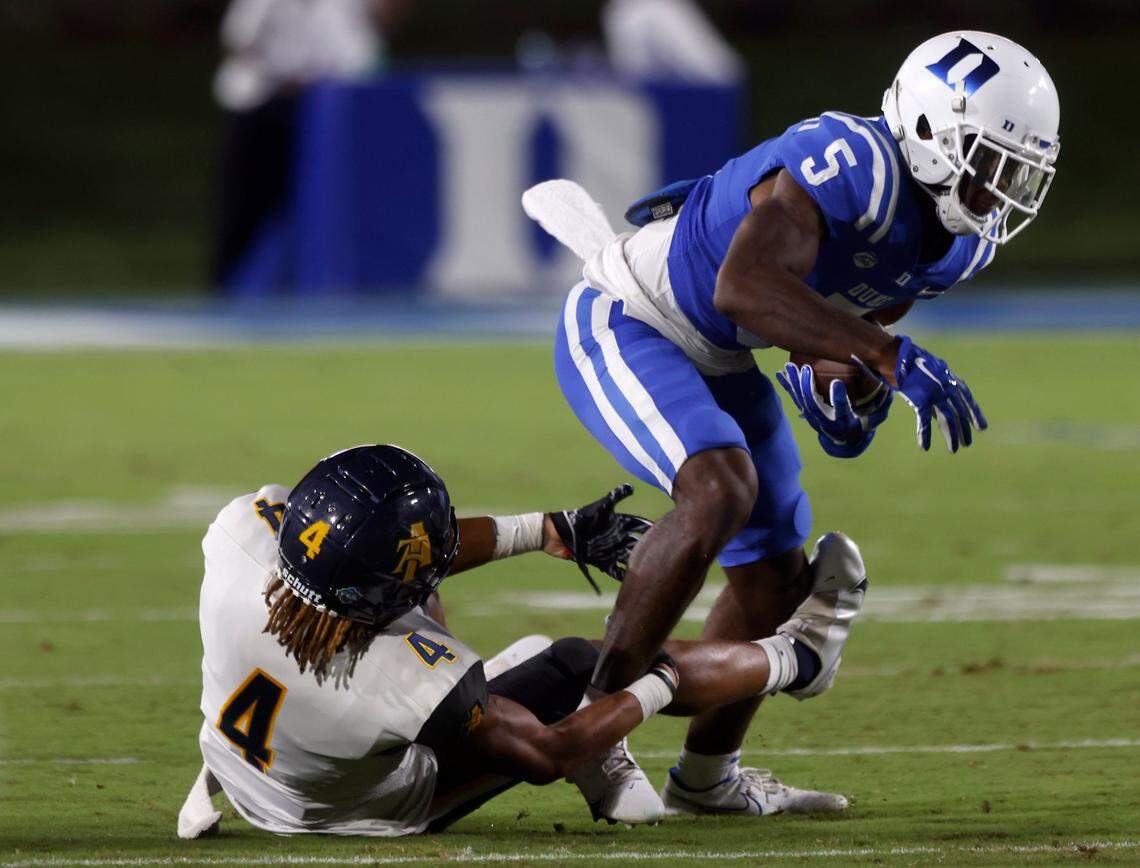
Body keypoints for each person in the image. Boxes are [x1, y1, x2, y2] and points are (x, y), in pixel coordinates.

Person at [528, 31, 1060, 821]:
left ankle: (708, 778)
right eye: (986, 163)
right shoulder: (853, 161)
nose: (998, 192)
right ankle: (598, 725)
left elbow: (839, 334)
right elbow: (747, 286)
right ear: (925, 131)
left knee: (778, 579)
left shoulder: (954, 247)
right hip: (631, 314)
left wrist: (853, 396)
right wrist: (883, 354)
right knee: (719, 490)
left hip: (724, 353)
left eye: (1015, 173)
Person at [178, 444, 866, 838]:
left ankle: (784, 663)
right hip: (345, 806)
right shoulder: (403, 679)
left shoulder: (246, 534)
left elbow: (394, 567)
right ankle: (799, 658)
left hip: (240, 754)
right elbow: (548, 753)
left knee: (410, 591)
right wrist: (659, 685)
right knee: (579, 665)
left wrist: (546, 528)